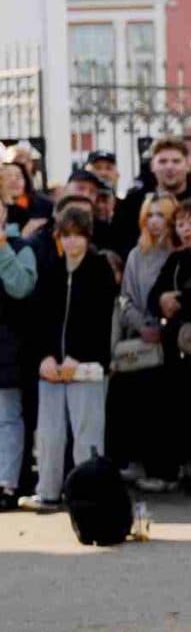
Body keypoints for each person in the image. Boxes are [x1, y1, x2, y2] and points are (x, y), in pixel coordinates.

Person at [21, 201, 118, 511]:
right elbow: (39, 321)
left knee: (87, 433)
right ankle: (48, 492)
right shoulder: (50, 270)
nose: (72, 241)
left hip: (86, 367)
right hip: (51, 369)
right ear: (58, 237)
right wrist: (45, 357)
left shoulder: (99, 269)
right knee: (49, 433)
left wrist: (80, 355)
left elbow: (101, 322)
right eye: (66, 235)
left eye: (78, 235)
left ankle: (89, 495)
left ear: (88, 237)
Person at [111, 193, 177, 489]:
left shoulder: (177, 253)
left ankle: (167, 470)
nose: (154, 221)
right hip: (143, 340)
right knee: (138, 404)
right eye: (149, 215)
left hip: (174, 341)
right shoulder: (137, 254)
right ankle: (141, 464)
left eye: (160, 215)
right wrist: (142, 325)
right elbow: (126, 299)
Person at [150, 194, 191, 493]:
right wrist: (162, 299)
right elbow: (154, 297)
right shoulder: (175, 259)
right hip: (175, 350)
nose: (187, 229)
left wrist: (179, 301)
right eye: (181, 223)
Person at [0, 209, 40, 509]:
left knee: (7, 417)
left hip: (9, 346)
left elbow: (21, 287)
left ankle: (6, 483)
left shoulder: (20, 248)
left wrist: (2, 248)